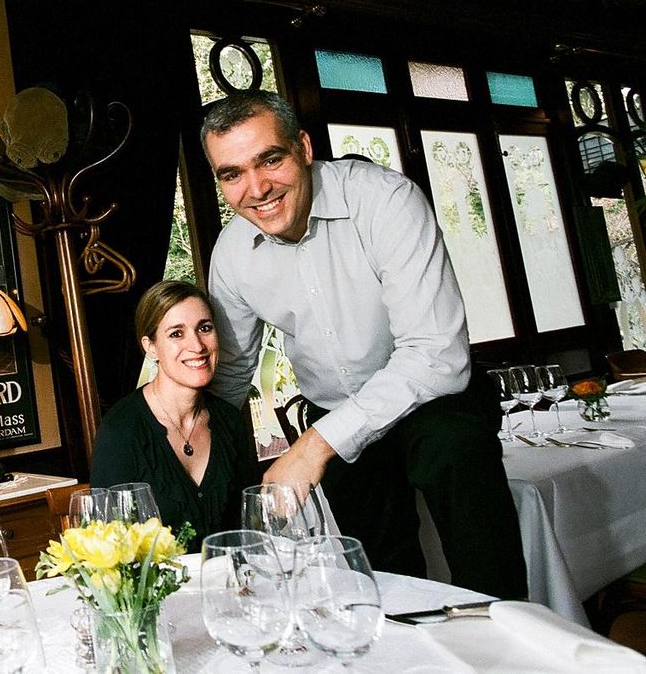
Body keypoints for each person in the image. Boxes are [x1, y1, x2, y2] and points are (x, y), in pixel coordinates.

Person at [202, 89, 527, 599]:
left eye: (271, 159)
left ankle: (514, 644)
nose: (257, 188)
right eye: (232, 174)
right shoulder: (232, 253)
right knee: (377, 585)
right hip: (335, 415)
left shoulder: (386, 200)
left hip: (434, 406)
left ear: (304, 148)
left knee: (468, 500)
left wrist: (315, 444)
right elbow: (231, 376)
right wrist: (181, 451)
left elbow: (437, 356)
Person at [91, 281, 258, 546]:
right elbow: (108, 549)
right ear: (151, 347)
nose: (197, 345)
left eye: (204, 328)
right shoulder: (121, 431)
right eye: (176, 334)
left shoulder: (230, 421)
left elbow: (251, 529)